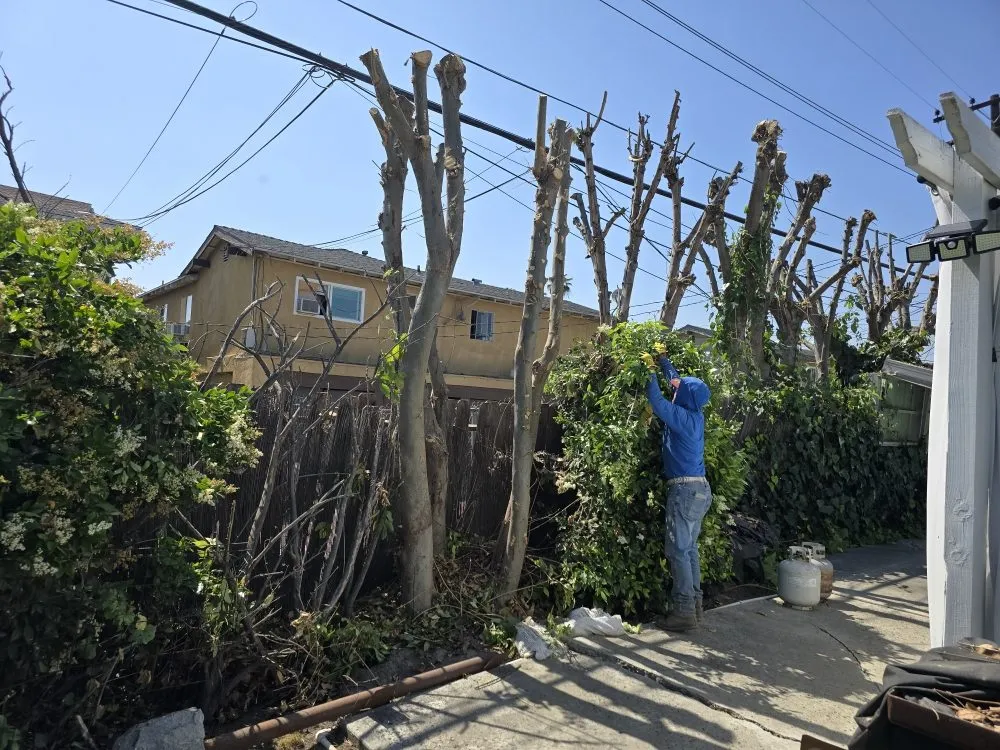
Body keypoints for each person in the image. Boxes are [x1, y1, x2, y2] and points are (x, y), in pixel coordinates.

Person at [645, 354, 713, 632]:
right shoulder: (695, 413)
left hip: (684, 490)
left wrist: (648, 372)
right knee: (690, 550)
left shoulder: (682, 417)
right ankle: (695, 606)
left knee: (678, 551)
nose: (676, 390)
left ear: (685, 397)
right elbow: (677, 386)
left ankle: (684, 611)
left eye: (679, 389)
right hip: (699, 490)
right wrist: (664, 364)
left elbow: (658, 402)